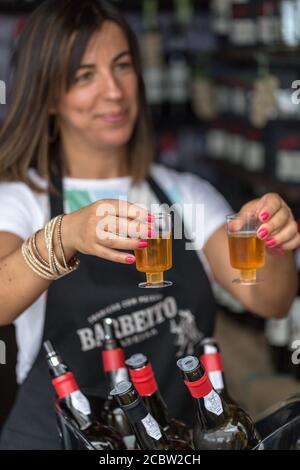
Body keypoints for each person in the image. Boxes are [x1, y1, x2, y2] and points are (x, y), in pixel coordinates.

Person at [0, 0, 298, 450]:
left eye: (122, 66)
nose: (114, 91)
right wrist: (67, 235)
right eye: (84, 76)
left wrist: (271, 243)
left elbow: (268, 301)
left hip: (173, 439)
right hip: (62, 437)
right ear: (47, 94)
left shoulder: (183, 194)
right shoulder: (22, 199)